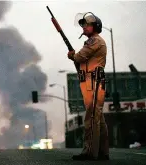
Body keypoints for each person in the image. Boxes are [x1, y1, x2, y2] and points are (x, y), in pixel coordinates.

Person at [67, 12, 109, 160]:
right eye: (83, 25)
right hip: (91, 81)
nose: (84, 27)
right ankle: (103, 152)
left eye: (87, 25)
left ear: (95, 26)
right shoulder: (94, 41)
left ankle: (89, 152)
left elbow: (79, 57)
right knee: (98, 117)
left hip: (94, 81)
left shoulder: (95, 41)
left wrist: (72, 55)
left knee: (91, 117)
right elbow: (82, 62)